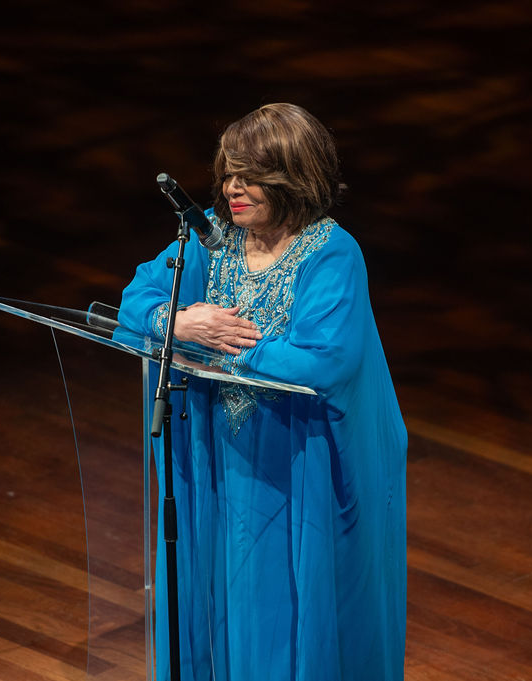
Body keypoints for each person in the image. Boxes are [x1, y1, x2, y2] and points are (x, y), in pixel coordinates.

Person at [118, 103, 407, 681]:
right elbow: (135, 303)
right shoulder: (213, 239)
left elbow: (325, 359)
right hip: (217, 464)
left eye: (249, 177)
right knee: (219, 594)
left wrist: (225, 344)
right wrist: (175, 323)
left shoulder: (330, 251)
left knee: (287, 608)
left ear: (291, 178)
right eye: (227, 174)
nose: (232, 189)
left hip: (297, 466)